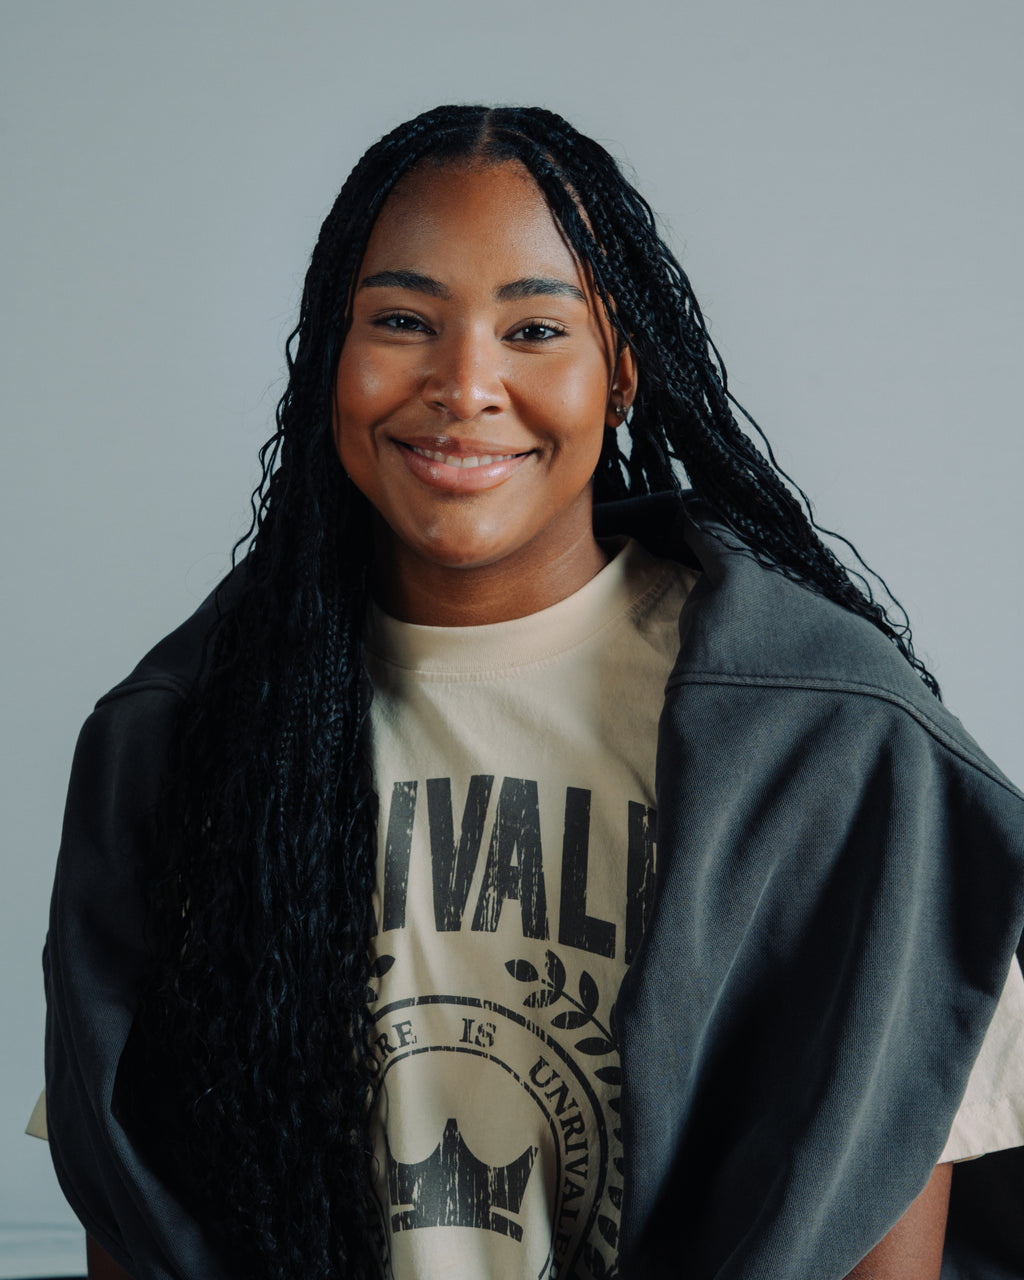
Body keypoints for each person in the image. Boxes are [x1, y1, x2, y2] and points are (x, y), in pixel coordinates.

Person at [39, 105, 1024, 1280]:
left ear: (619, 374)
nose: (464, 383)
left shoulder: (838, 747)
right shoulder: (177, 740)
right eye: (403, 320)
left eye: (534, 327)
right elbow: (127, 1197)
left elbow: (883, 1196)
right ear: (328, 362)